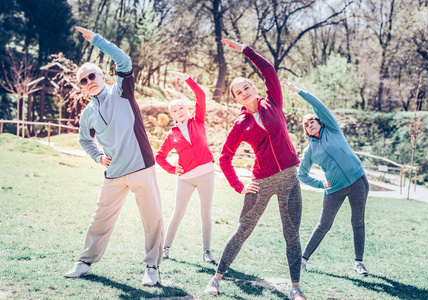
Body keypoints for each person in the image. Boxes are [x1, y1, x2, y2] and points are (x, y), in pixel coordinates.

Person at [204, 39, 306, 300]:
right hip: (260, 182)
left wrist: (245, 50)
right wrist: (239, 186)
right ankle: (216, 279)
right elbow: (224, 158)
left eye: (246, 87)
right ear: (236, 99)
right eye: (239, 92)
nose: (244, 92)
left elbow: (269, 69)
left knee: (291, 234)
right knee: (243, 230)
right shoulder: (240, 123)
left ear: (254, 88)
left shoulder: (274, 102)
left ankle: (296, 288)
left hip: (289, 179)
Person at [63, 27, 164, 286]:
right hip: (114, 174)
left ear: (101, 75)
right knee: (100, 219)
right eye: (83, 81)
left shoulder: (122, 91)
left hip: (141, 166)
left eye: (91, 76)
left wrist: (97, 40)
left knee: (151, 219)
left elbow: (124, 62)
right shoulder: (88, 114)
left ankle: (152, 267)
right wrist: (97, 157)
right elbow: (84, 139)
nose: (88, 82)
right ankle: (85, 263)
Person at [283, 78, 370, 276]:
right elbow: (302, 175)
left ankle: (359, 263)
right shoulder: (310, 150)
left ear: (320, 122)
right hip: (334, 189)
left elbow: (318, 105)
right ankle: (303, 259)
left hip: (358, 181)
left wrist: (298, 91)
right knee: (323, 224)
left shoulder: (333, 129)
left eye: (312, 120)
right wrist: (321, 183)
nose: (309, 124)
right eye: (306, 125)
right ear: (306, 131)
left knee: (358, 221)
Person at [155, 71, 216, 264]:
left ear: (187, 109)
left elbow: (201, 96)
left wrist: (187, 79)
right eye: (175, 110)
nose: (179, 111)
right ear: (171, 115)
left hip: (206, 173)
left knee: (205, 213)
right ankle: (165, 249)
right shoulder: (171, 135)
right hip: (185, 178)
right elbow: (159, 156)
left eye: (182, 107)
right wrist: (173, 170)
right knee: (177, 213)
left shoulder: (198, 121)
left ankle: (207, 252)